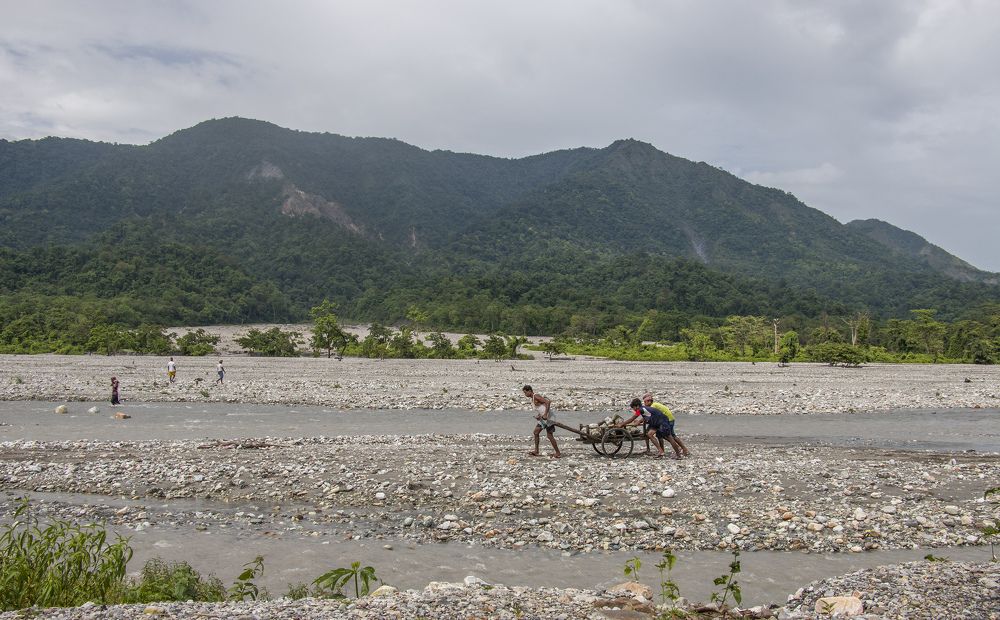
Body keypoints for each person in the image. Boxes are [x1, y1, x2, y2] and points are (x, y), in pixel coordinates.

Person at [643, 392, 691, 458]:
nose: (644, 404)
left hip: (668, 420)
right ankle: (663, 451)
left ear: (649, 401)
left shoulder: (653, 406)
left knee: (671, 436)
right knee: (660, 436)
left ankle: (682, 449)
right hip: (665, 420)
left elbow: (651, 416)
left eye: (645, 402)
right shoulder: (654, 404)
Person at [523, 385, 560, 458]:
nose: (525, 394)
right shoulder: (533, 398)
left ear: (529, 391)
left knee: (549, 436)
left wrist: (545, 414)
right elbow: (541, 408)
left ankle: (558, 453)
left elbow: (547, 402)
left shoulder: (536, 396)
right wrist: (539, 416)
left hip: (549, 417)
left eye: (525, 392)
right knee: (536, 432)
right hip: (543, 418)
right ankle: (536, 451)